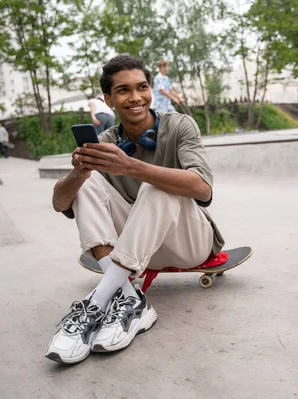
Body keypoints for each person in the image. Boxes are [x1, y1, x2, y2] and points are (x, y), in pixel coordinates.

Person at [46, 55, 224, 364]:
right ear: (109, 99)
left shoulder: (180, 125)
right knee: (85, 183)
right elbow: (60, 203)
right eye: (123, 90)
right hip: (135, 253)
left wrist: (132, 166)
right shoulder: (105, 142)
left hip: (188, 243)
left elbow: (203, 188)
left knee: (157, 186)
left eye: (142, 87)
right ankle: (130, 299)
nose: (135, 97)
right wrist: (78, 173)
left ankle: (98, 302)